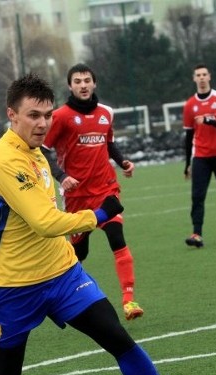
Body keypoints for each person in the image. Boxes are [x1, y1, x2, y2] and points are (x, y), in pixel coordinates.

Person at [0, 74, 213, 375]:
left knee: (118, 338)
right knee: (5, 374)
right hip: (12, 285)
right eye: (33, 115)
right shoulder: (5, 158)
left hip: (64, 275)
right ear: (11, 115)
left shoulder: (35, 152)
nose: (42, 123)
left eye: (47, 115)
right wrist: (99, 215)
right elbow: (45, 222)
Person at [42, 63, 143, 321]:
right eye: (77, 81)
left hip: (105, 188)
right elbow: (43, 150)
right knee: (79, 253)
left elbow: (109, 143)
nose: (83, 85)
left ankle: (129, 301)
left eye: (87, 80)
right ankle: (56, 298)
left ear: (94, 83)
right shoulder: (61, 116)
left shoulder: (105, 113)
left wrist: (123, 163)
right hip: (77, 196)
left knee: (116, 236)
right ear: (70, 86)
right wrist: (62, 177)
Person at [182, 64, 216, 247]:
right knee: (197, 195)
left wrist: (209, 120)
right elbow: (188, 136)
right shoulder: (190, 105)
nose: (202, 78)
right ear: (194, 78)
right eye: (198, 75)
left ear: (210, 76)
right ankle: (197, 234)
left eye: (204, 74)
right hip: (200, 157)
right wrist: (187, 163)